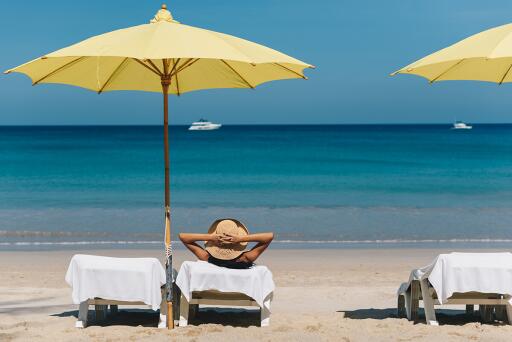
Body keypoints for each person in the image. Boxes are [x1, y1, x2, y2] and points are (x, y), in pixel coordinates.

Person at [178, 224, 273, 269]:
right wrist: (241, 239)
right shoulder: (246, 258)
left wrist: (210, 237)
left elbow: (182, 236)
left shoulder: (206, 257)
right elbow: (269, 236)